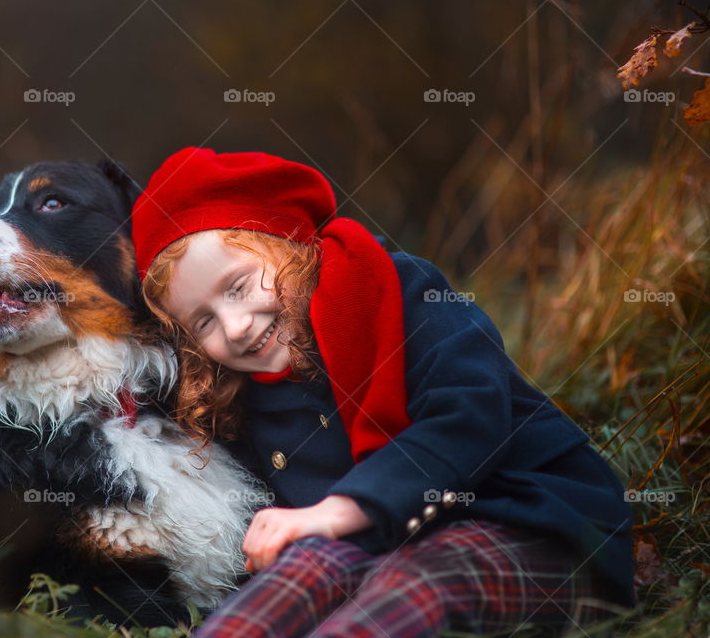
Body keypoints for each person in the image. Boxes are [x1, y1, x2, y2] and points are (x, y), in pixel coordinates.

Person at [130, 147, 635, 637]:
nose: (236, 326)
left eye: (238, 286)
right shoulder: (238, 394)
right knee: (294, 576)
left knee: (414, 586)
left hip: (523, 519)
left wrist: (338, 510)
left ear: (286, 243)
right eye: (203, 321)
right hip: (380, 543)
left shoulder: (397, 289)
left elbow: (468, 417)